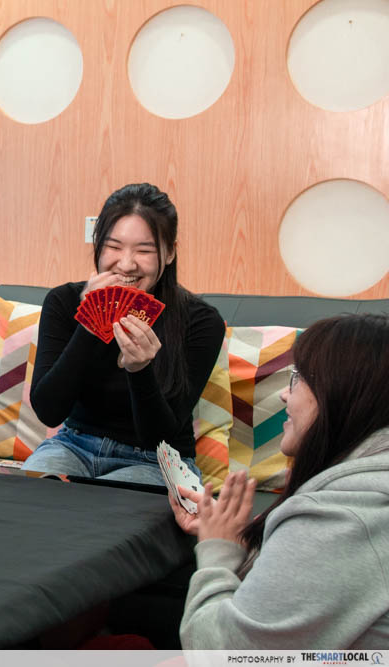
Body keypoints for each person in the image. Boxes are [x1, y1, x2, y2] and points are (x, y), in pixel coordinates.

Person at [171, 313, 389, 649]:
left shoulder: (338, 518)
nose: (284, 397)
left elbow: (219, 652)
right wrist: (236, 536)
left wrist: (219, 549)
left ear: (341, 392)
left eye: (298, 379)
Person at [22, 183, 225, 484]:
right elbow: (49, 411)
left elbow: (160, 437)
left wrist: (139, 369)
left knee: (112, 516)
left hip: (156, 460)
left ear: (170, 253)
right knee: (25, 494)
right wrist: (90, 323)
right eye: (114, 247)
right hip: (73, 446)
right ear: (97, 245)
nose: (126, 264)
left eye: (144, 250)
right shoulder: (63, 302)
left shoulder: (201, 322)